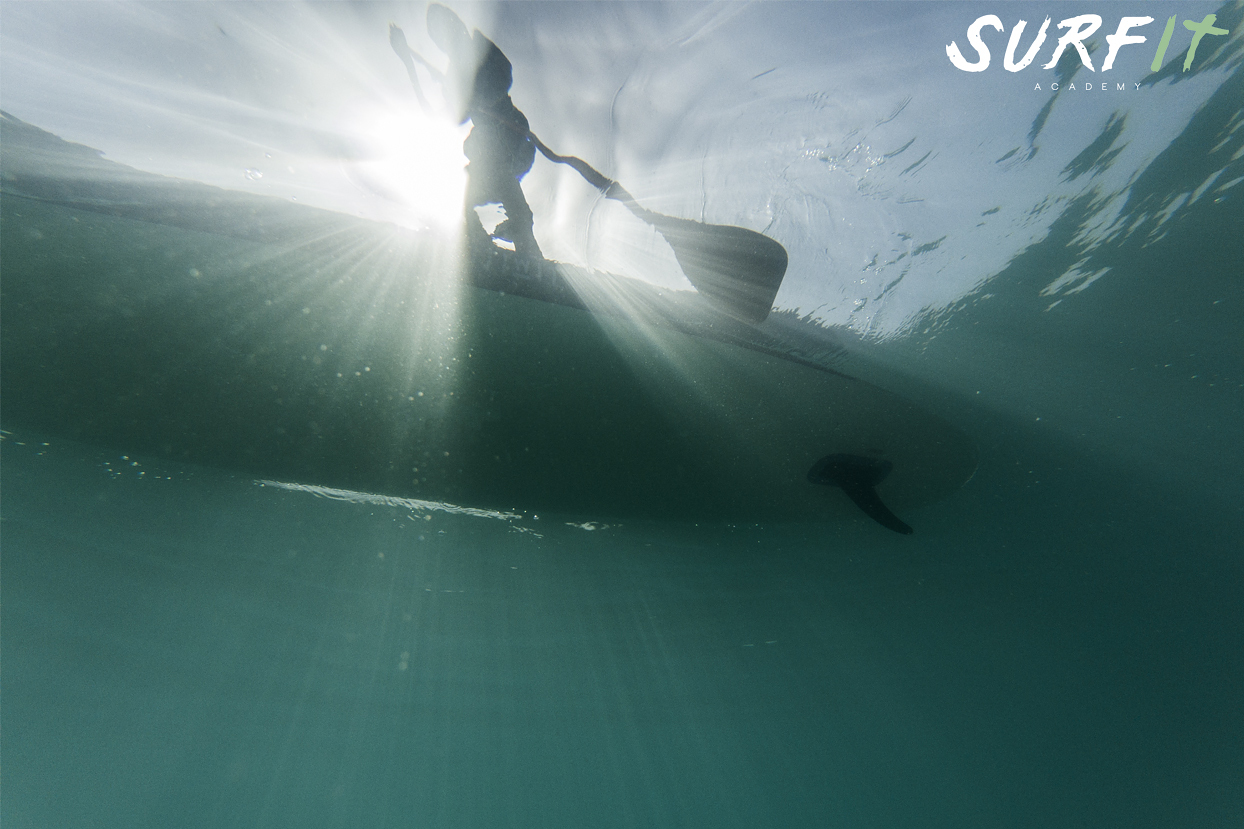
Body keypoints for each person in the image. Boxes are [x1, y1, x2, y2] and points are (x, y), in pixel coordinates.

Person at [390, 6, 542, 259]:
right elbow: (445, 116)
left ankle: (525, 241)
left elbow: (504, 78)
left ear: (459, 26)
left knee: (495, 169)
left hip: (510, 136)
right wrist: (408, 62)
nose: (445, 40)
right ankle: (481, 242)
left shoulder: (483, 51)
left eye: (446, 30)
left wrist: (472, 94)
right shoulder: (455, 75)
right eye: (438, 36)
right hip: (487, 144)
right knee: (462, 193)